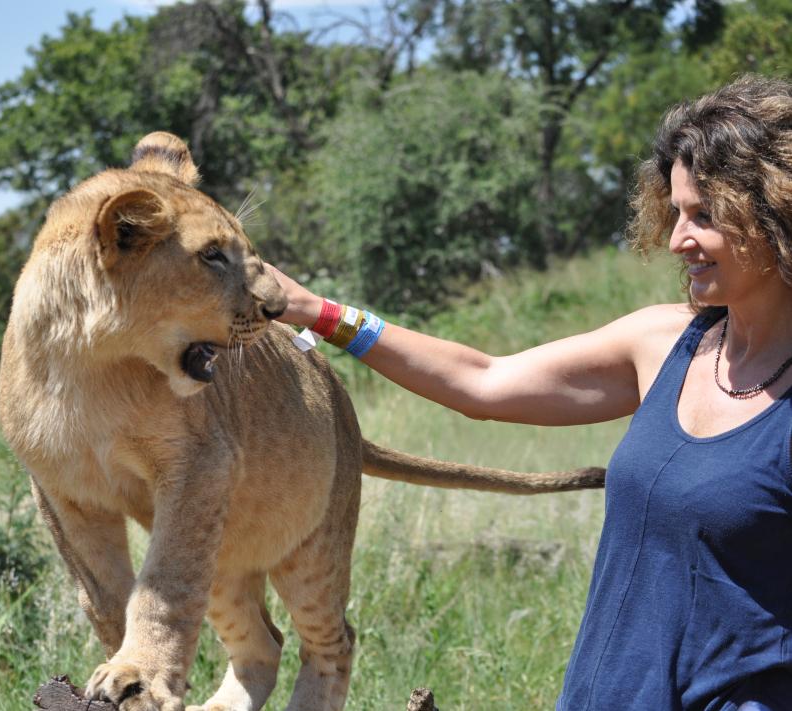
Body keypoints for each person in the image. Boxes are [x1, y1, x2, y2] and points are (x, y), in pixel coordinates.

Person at [267, 74, 792, 710]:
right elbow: (482, 381)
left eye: (704, 216)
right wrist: (317, 311)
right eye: (676, 211)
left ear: (774, 213)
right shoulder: (665, 344)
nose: (678, 239)